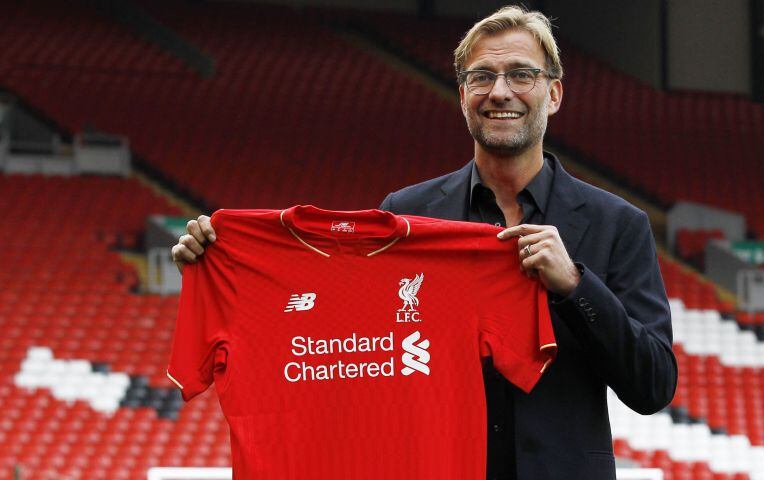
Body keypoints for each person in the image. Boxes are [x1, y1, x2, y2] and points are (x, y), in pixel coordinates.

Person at [171, 5, 677, 480]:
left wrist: (574, 286)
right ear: (462, 96)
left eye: (521, 74)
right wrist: (224, 273)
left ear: (554, 94)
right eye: (481, 76)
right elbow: (351, 347)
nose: (499, 91)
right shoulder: (406, 215)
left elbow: (653, 384)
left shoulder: (618, 224)